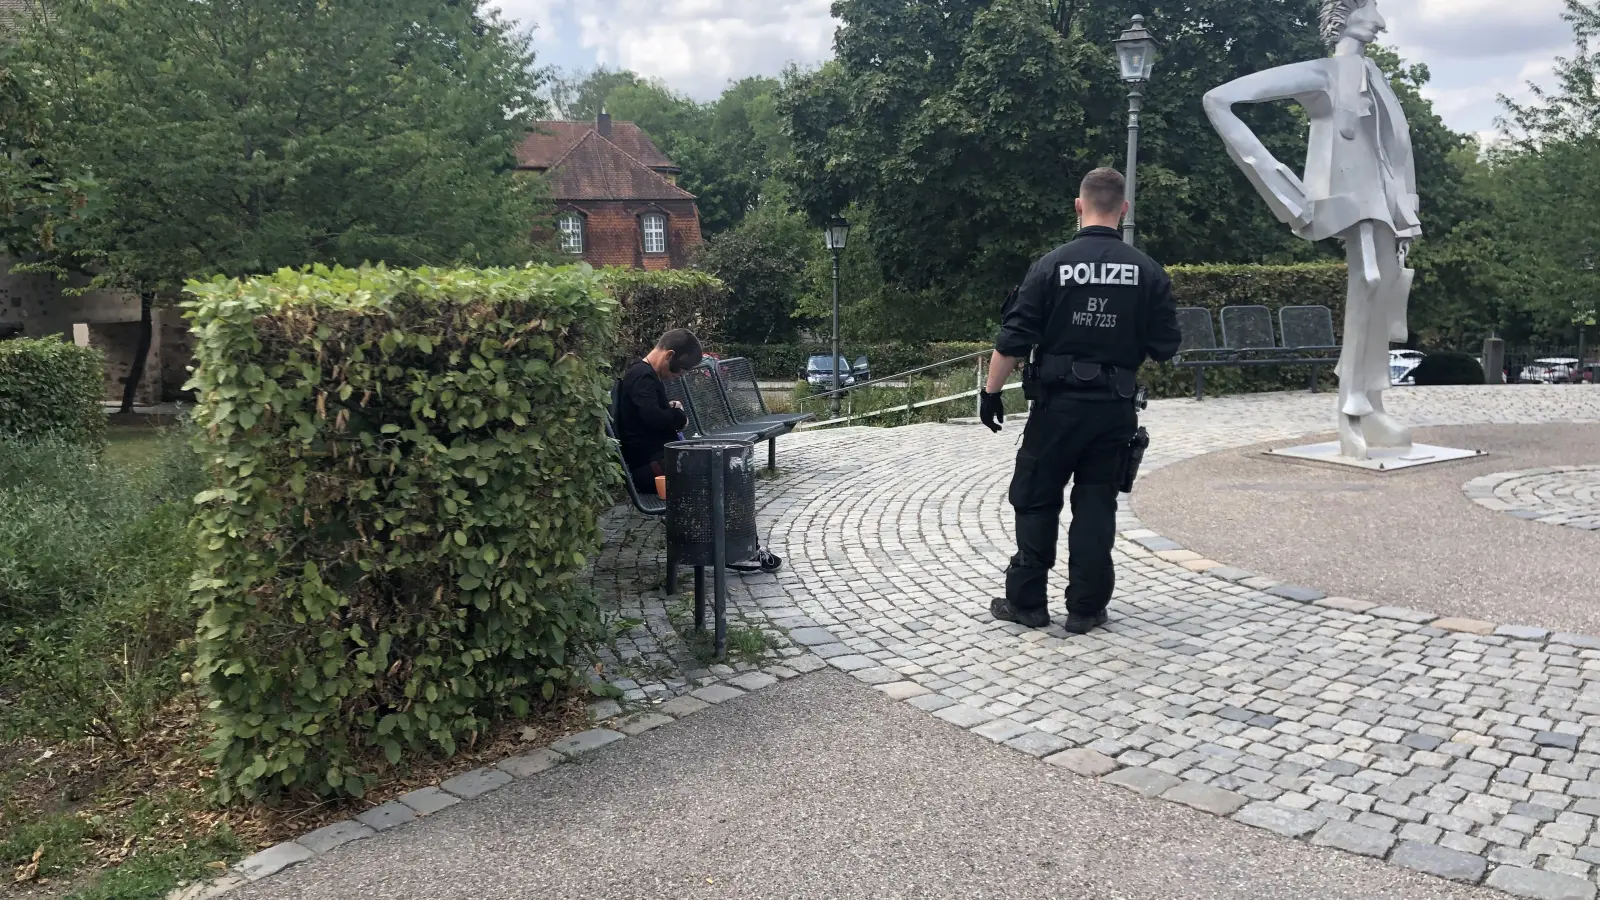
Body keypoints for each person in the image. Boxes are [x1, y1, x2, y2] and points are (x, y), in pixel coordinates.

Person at [1203, 0, 1419, 459]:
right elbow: (1218, 99)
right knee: (1371, 282)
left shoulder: (1373, 73)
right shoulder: (1321, 72)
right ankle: (1350, 411)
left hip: (1384, 199)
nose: (1380, 23)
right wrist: (1284, 189)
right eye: (1370, 10)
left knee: (1382, 291)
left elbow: (1397, 147)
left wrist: (1406, 207)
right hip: (1348, 197)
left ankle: (1372, 404)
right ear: (1345, 14)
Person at [979, 168, 1181, 634]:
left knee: (1035, 498)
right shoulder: (1148, 271)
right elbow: (1166, 345)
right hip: (1114, 410)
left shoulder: (1051, 265)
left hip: (1056, 408)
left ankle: (1027, 603)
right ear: (1123, 209)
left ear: (1079, 205)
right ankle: (1086, 608)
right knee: (1096, 504)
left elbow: (1013, 338)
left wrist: (991, 394)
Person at [616, 329, 703, 493]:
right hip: (649, 468)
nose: (680, 375)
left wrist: (668, 408)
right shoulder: (643, 377)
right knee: (713, 468)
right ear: (669, 355)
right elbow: (654, 418)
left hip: (655, 460)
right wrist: (680, 418)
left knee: (713, 462)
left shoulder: (643, 374)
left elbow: (647, 413)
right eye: (681, 369)